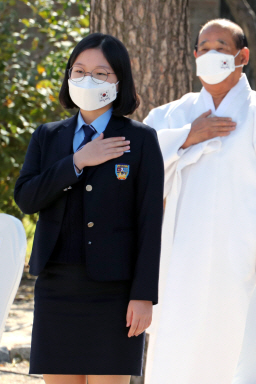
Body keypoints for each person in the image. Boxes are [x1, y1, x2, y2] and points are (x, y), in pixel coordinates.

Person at [143, 18, 256, 383]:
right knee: (176, 345)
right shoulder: (171, 115)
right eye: (203, 48)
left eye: (220, 47)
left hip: (239, 258)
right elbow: (137, 166)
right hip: (177, 256)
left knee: (233, 343)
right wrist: (187, 136)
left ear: (242, 56)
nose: (209, 54)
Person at [14, 33, 164, 384]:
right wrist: (78, 161)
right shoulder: (47, 136)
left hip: (114, 292)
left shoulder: (140, 140)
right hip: (56, 287)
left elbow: (149, 222)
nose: (88, 80)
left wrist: (144, 296)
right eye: (79, 71)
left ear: (119, 81)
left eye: (101, 73)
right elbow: (27, 198)